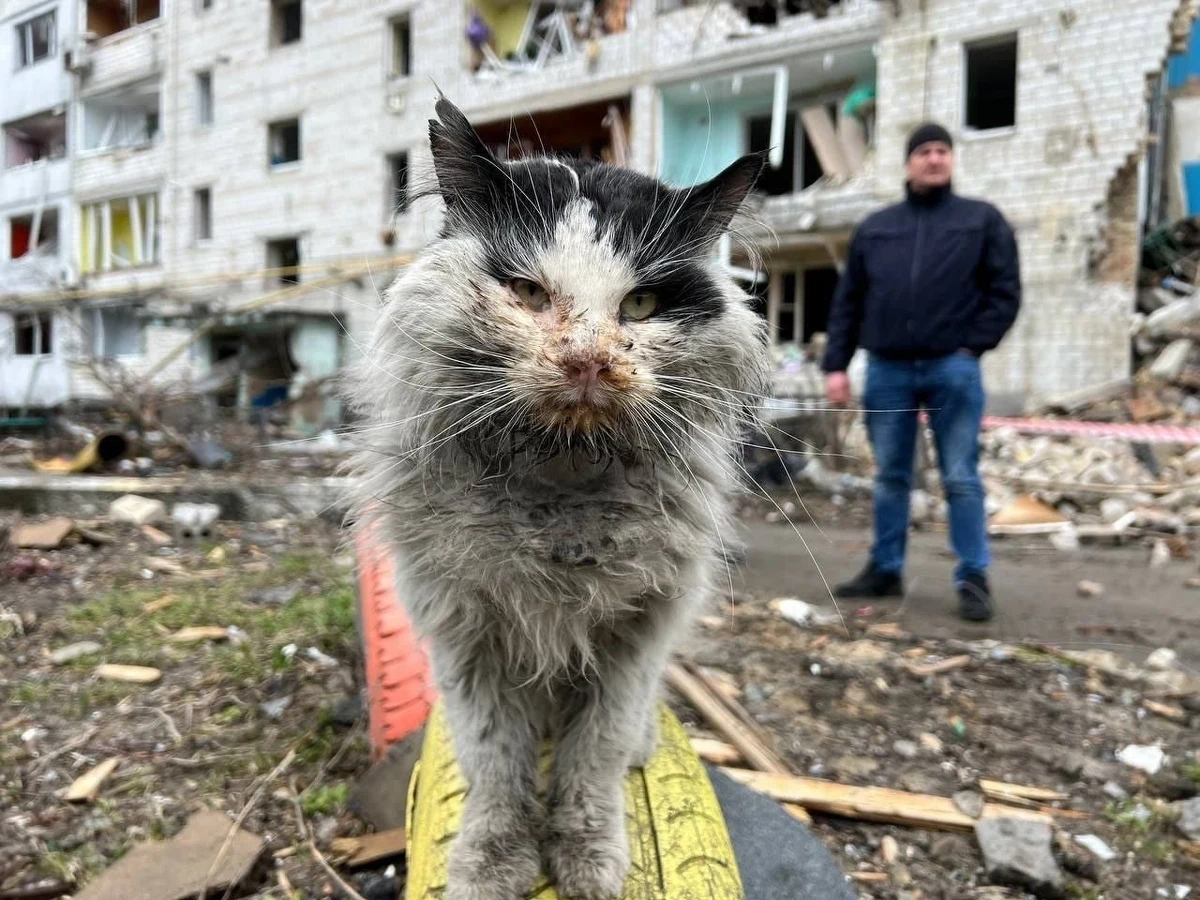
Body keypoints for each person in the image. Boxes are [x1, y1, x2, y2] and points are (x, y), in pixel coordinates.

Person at [822, 122, 1020, 622]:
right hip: (888, 368)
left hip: (951, 369)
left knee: (960, 476)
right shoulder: (876, 227)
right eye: (925, 152)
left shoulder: (981, 220)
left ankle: (973, 575)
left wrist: (972, 348)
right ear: (909, 162)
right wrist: (836, 366)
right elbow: (849, 302)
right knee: (890, 475)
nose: (934, 159)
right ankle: (885, 568)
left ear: (950, 161)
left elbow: (1005, 292)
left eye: (942, 151)